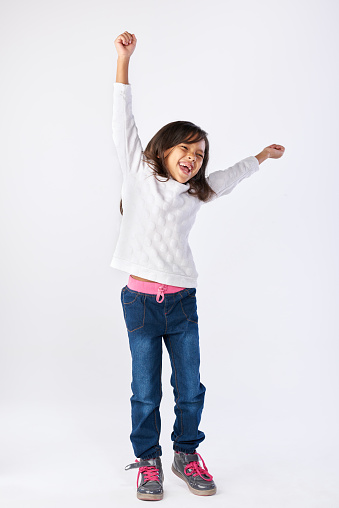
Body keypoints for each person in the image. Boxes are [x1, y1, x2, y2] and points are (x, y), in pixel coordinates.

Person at [111, 31, 285, 501]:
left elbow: (228, 178)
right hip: (141, 306)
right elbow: (122, 119)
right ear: (163, 149)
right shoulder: (137, 172)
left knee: (190, 389)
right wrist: (124, 61)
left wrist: (260, 158)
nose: (193, 158)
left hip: (182, 303)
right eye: (186, 148)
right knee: (145, 392)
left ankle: (186, 453)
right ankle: (148, 461)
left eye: (200, 154)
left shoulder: (197, 191)